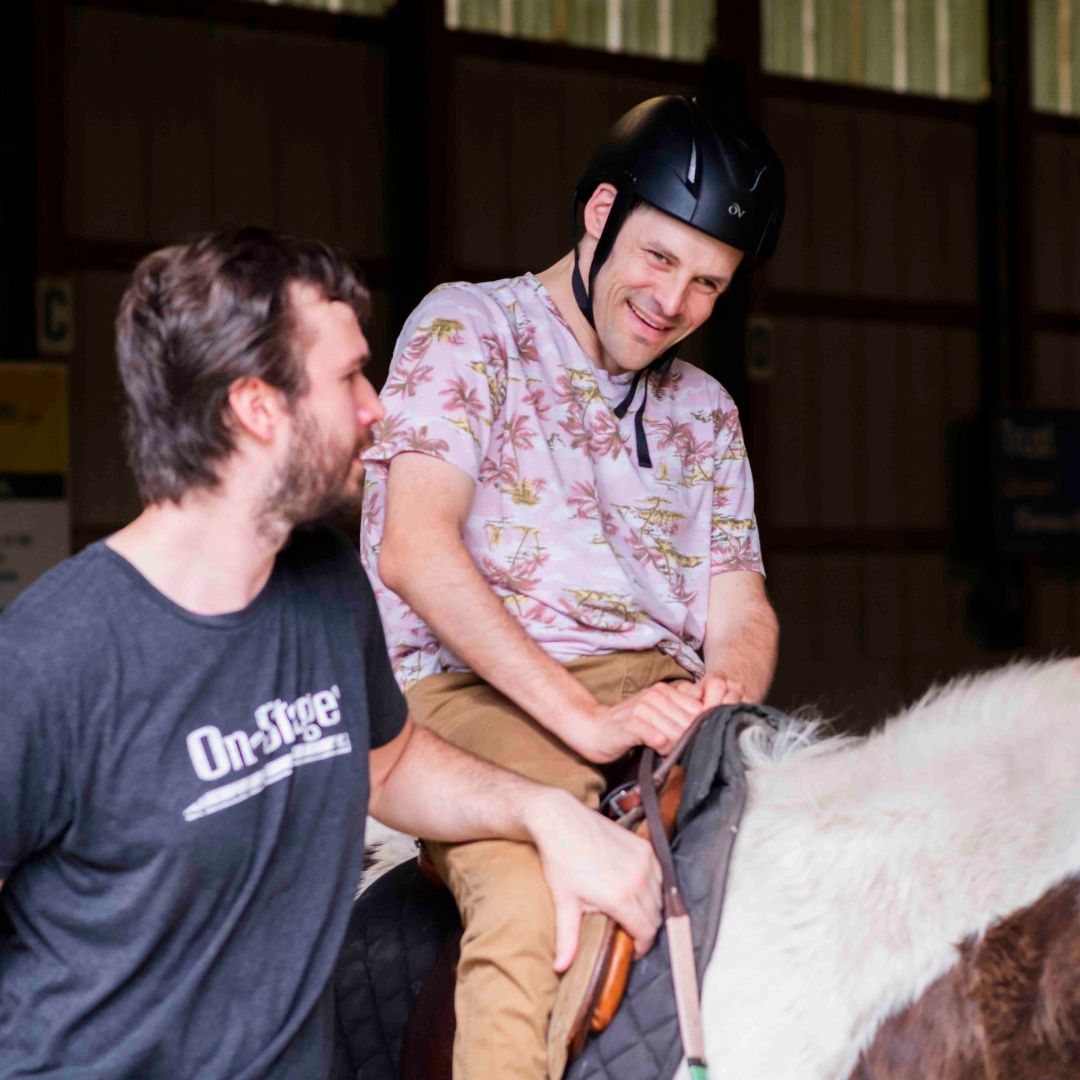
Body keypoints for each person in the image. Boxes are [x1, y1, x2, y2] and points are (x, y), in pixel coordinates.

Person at [0, 229, 664, 1080]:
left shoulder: (323, 585)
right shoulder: (53, 658)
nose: (377, 406)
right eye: (349, 376)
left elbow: (390, 765)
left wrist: (548, 814)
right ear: (256, 407)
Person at [360, 95, 786, 1079]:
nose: (673, 301)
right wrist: (586, 723)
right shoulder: (468, 329)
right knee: (526, 903)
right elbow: (416, 552)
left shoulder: (707, 413)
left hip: (656, 690)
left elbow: (742, 606)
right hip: (475, 690)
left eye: (708, 284)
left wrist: (728, 688)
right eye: (659, 258)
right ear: (599, 213)